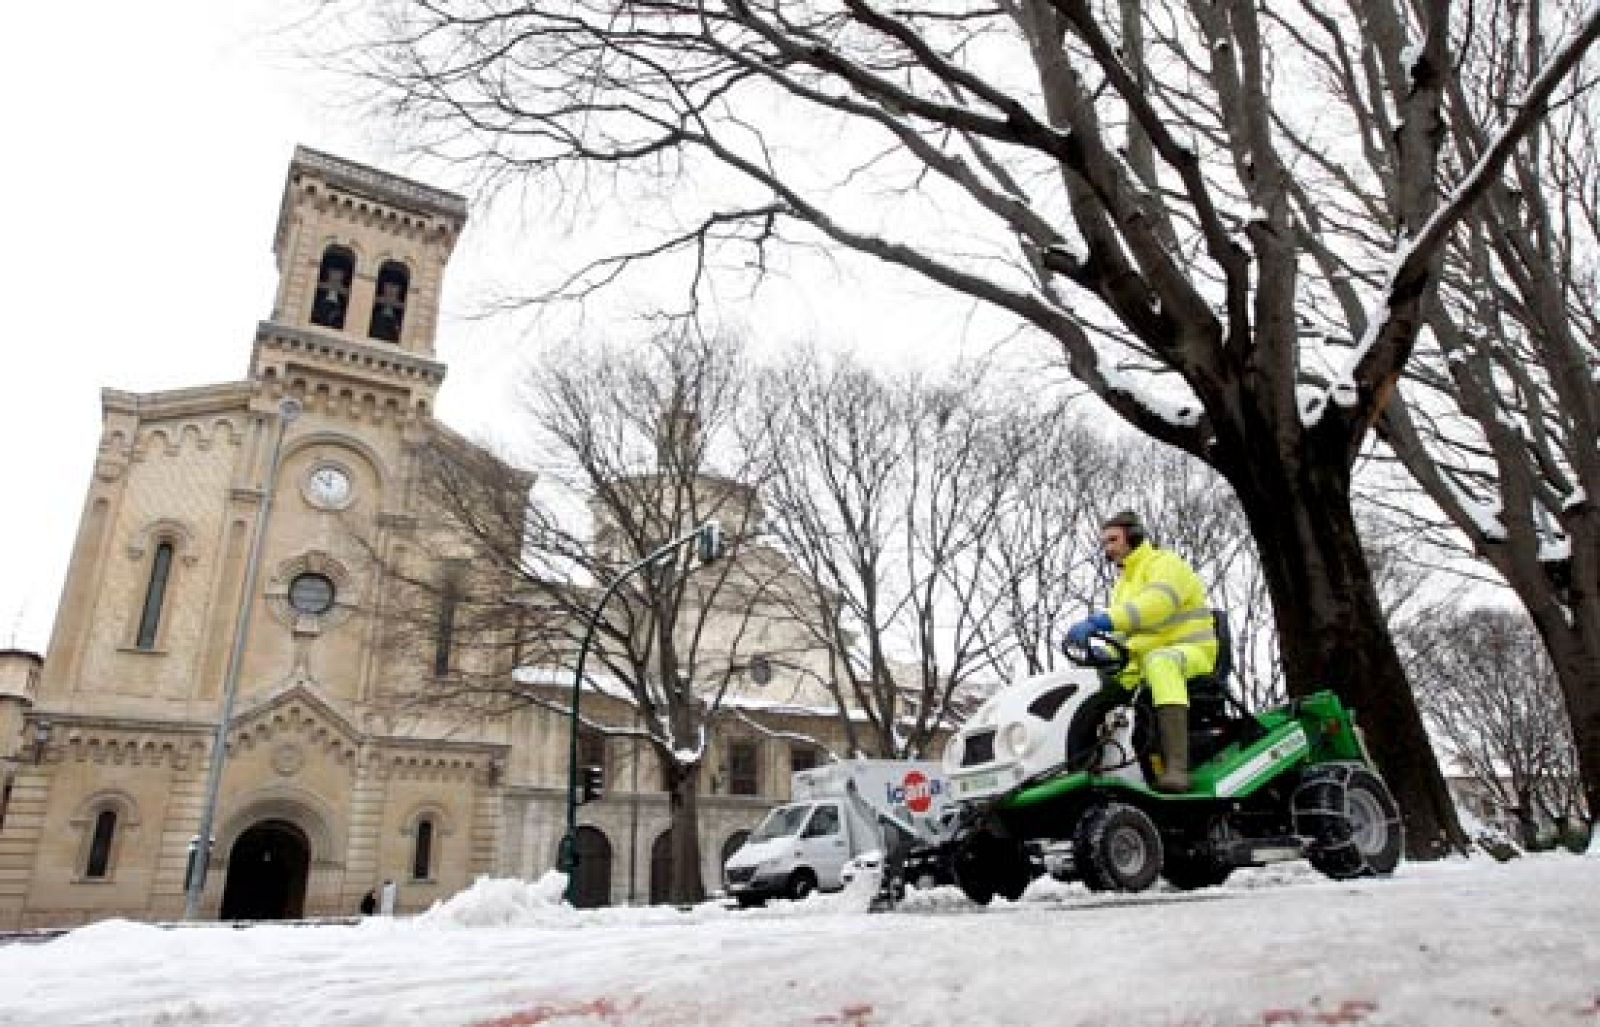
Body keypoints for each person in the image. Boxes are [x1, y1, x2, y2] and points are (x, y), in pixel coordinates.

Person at [1062, 511, 1218, 792]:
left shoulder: (1165, 564)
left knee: (1161, 664)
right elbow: (1126, 638)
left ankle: (1177, 770)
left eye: (1113, 540)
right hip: (1143, 662)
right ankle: (1082, 773)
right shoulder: (1122, 586)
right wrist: (1105, 656)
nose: (1107, 548)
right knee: (1097, 691)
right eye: (1104, 543)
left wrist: (1102, 620)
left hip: (1191, 653)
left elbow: (1156, 605)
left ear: (1133, 536)